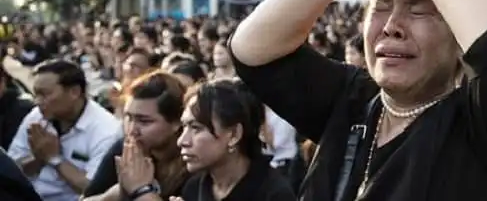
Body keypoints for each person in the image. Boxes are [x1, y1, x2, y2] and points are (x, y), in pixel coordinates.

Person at [229, 0, 487, 200]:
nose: (392, 26)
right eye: (381, 6)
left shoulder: (483, 129)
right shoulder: (351, 98)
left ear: (462, 39)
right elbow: (253, 48)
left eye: (418, 8)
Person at [7, 59, 121, 201]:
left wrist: (55, 159)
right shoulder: (37, 116)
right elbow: (11, 170)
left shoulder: (107, 130)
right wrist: (38, 159)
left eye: (45, 94)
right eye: (36, 94)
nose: (37, 101)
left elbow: (94, 189)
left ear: (74, 92)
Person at [177, 79, 295, 201]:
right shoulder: (193, 189)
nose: (182, 141)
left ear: (234, 134)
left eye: (196, 128)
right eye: (184, 127)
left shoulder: (274, 194)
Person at [83, 71, 190, 201]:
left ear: (176, 122)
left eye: (144, 121)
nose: (132, 130)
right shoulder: (126, 148)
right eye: (128, 117)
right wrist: (120, 191)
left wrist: (141, 189)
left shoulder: (192, 160)